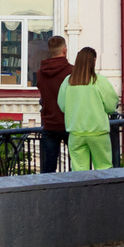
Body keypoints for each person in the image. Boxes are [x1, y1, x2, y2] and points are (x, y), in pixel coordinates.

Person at [57, 47, 119, 170]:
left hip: (75, 131)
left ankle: (81, 190)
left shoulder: (68, 81)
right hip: (98, 131)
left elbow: (62, 105)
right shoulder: (100, 81)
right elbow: (111, 105)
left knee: (79, 171)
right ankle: (102, 189)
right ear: (93, 61)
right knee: (104, 168)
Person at [35, 35, 73, 173]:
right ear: (64, 50)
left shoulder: (40, 73)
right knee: (76, 164)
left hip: (49, 124)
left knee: (49, 166)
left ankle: (47, 193)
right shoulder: (72, 71)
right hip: (69, 123)